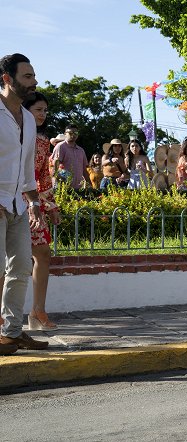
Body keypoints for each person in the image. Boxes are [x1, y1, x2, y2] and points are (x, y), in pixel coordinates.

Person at [0, 53, 49, 353]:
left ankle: (12, 332)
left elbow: (27, 168)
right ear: (7, 79)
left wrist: (34, 205)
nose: (34, 82)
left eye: (33, 76)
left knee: (19, 271)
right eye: (27, 76)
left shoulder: (28, 119)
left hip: (18, 205)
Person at [0, 91, 60, 330]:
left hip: (31, 203)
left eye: (45, 111)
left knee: (42, 254)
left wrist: (49, 205)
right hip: (7, 199)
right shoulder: (10, 131)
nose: (43, 115)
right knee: (6, 263)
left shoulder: (43, 141)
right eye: (38, 110)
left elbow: (43, 176)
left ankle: (37, 312)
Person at [51, 124, 91, 189]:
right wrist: (57, 182)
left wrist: (89, 184)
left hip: (78, 187)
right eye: (70, 133)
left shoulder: (81, 150)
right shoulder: (61, 146)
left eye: (75, 133)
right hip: (63, 187)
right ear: (65, 134)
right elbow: (55, 167)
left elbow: (84, 170)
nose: (73, 135)